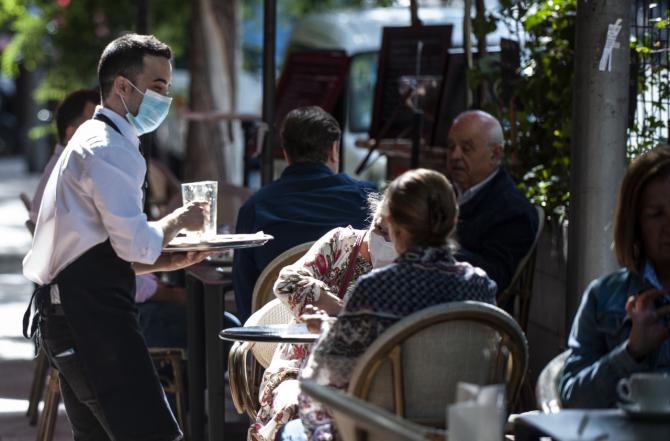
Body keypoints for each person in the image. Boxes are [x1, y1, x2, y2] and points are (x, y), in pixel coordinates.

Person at [23, 34, 211, 441]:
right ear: (123, 87)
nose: (165, 97)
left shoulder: (97, 142)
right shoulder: (108, 147)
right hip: (91, 321)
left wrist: (166, 261)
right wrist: (178, 219)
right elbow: (133, 244)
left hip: (74, 316)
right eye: (158, 86)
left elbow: (98, 250)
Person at [285, 168, 497, 440]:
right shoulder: (480, 287)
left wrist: (327, 332)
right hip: (454, 429)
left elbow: (327, 375)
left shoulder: (377, 289)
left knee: (290, 431)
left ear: (393, 225)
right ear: (452, 221)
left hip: (380, 429)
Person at [249, 194, 396, 441]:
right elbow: (286, 282)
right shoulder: (341, 242)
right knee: (294, 406)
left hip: (366, 378)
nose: (384, 239)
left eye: (393, 234)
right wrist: (332, 304)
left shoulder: (408, 271)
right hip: (301, 368)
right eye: (379, 228)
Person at [233, 106, 377, 322]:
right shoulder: (368, 200)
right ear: (333, 150)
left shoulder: (255, 208)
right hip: (354, 334)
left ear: (285, 152)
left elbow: (246, 298)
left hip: (275, 339)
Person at [559, 146, 670, 408]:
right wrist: (632, 352)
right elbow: (572, 398)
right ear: (635, 223)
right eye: (657, 214)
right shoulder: (604, 297)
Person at [446, 110, 539, 292]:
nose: (454, 155)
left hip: (465, 313)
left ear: (495, 155)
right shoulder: (444, 191)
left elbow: (495, 276)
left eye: (466, 148)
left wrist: (434, 246)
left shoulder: (513, 210)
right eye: (451, 147)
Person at [29, 88, 99, 224]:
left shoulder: (62, 165)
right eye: (95, 124)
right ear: (71, 134)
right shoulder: (74, 170)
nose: (104, 131)